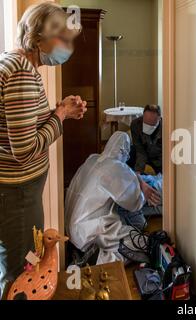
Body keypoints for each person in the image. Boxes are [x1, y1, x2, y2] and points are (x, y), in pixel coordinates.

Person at [0, 2, 87, 295]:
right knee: (21, 278)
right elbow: (24, 149)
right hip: (19, 195)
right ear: (40, 37)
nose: (67, 46)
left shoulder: (12, 63)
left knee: (17, 269)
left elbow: (23, 124)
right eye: (63, 39)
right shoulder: (22, 73)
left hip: (15, 194)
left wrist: (59, 110)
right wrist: (60, 115)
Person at [65, 132, 161, 265]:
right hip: (90, 231)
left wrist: (140, 182)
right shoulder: (116, 167)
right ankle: (96, 257)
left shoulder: (93, 159)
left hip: (72, 229)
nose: (127, 156)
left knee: (134, 223)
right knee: (141, 244)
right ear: (124, 150)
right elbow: (135, 204)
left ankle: (84, 252)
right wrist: (144, 191)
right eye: (127, 153)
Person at [130, 105, 163, 174]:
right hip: (143, 155)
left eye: (151, 123)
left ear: (159, 118)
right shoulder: (135, 124)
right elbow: (140, 150)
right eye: (146, 122)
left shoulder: (166, 127)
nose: (148, 126)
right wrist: (138, 171)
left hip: (160, 158)